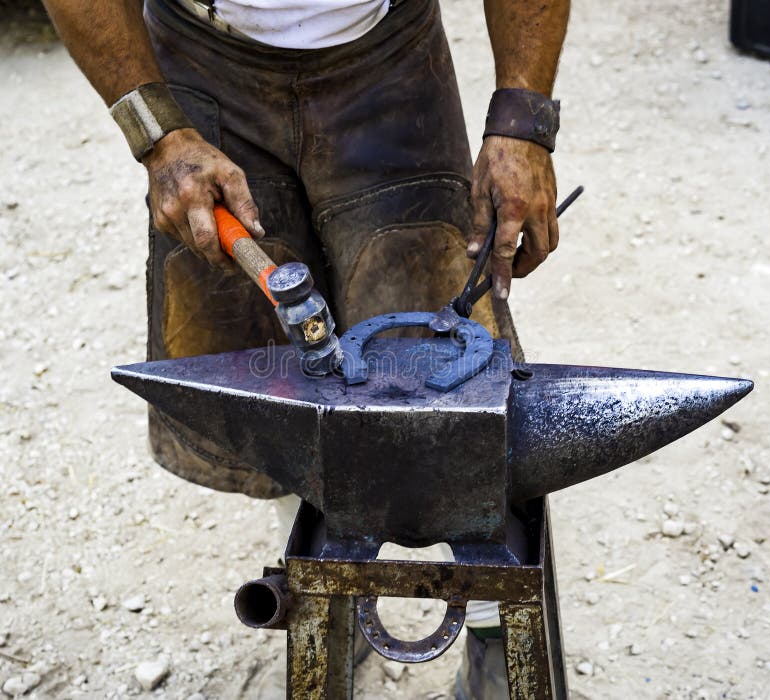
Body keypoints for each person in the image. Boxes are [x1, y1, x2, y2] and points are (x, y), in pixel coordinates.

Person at [42, 0, 569, 696]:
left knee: (455, 393)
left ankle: (493, 635)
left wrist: (522, 121)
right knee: (275, 383)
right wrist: (158, 132)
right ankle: (332, 607)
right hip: (205, 68)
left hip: (388, 59)